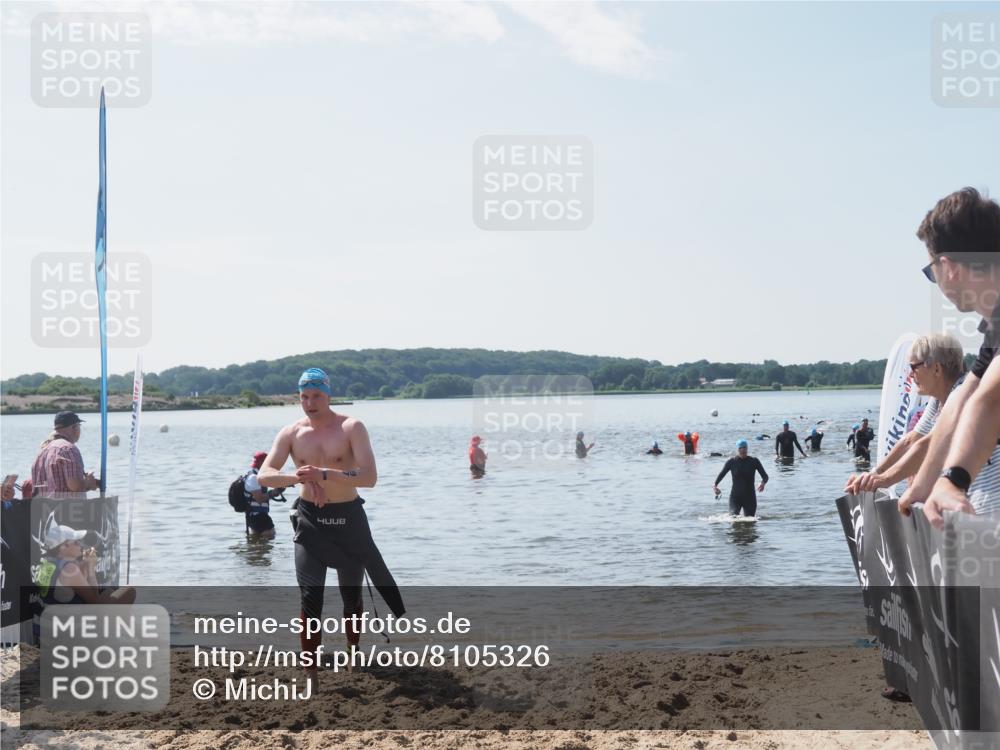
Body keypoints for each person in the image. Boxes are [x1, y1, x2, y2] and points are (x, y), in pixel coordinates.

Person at [258, 368, 405, 684]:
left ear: (329, 394)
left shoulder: (352, 427)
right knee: (310, 596)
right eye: (304, 397)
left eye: (317, 396)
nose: (310, 403)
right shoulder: (291, 433)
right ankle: (310, 671)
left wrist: (325, 474)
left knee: (350, 596)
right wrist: (296, 477)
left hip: (348, 521)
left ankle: (353, 653)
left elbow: (369, 478)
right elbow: (264, 475)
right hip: (310, 522)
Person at [899, 187, 1000, 525]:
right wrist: (925, 484)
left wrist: (953, 481)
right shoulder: (993, 328)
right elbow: (962, 400)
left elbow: (990, 401)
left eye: (932, 273)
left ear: (949, 266)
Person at [846, 334, 966, 496]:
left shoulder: (961, 395)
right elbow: (911, 440)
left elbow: (928, 447)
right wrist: (875, 473)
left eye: (914, 367)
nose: (910, 375)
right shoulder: (938, 399)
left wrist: (884, 480)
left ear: (936, 369)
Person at [30, 412, 100, 496]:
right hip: (65, 508)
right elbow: (75, 487)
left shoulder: (42, 452)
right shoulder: (68, 449)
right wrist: (89, 483)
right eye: (79, 426)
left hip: (42, 508)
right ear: (74, 427)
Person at [714, 439, 769, 517]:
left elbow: (765, 476)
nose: (743, 451)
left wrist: (763, 483)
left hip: (750, 498)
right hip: (735, 497)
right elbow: (721, 474)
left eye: (744, 448)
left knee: (750, 522)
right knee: (733, 518)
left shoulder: (754, 461)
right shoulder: (731, 462)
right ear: (738, 450)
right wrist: (715, 485)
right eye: (741, 449)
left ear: (747, 449)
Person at [243, 451, 286, 538]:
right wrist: (273, 493)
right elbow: (260, 499)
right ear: (261, 463)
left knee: (257, 543)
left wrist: (281, 488)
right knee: (270, 536)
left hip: (256, 516)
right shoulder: (254, 478)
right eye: (268, 462)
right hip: (258, 516)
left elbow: (267, 494)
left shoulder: (259, 476)